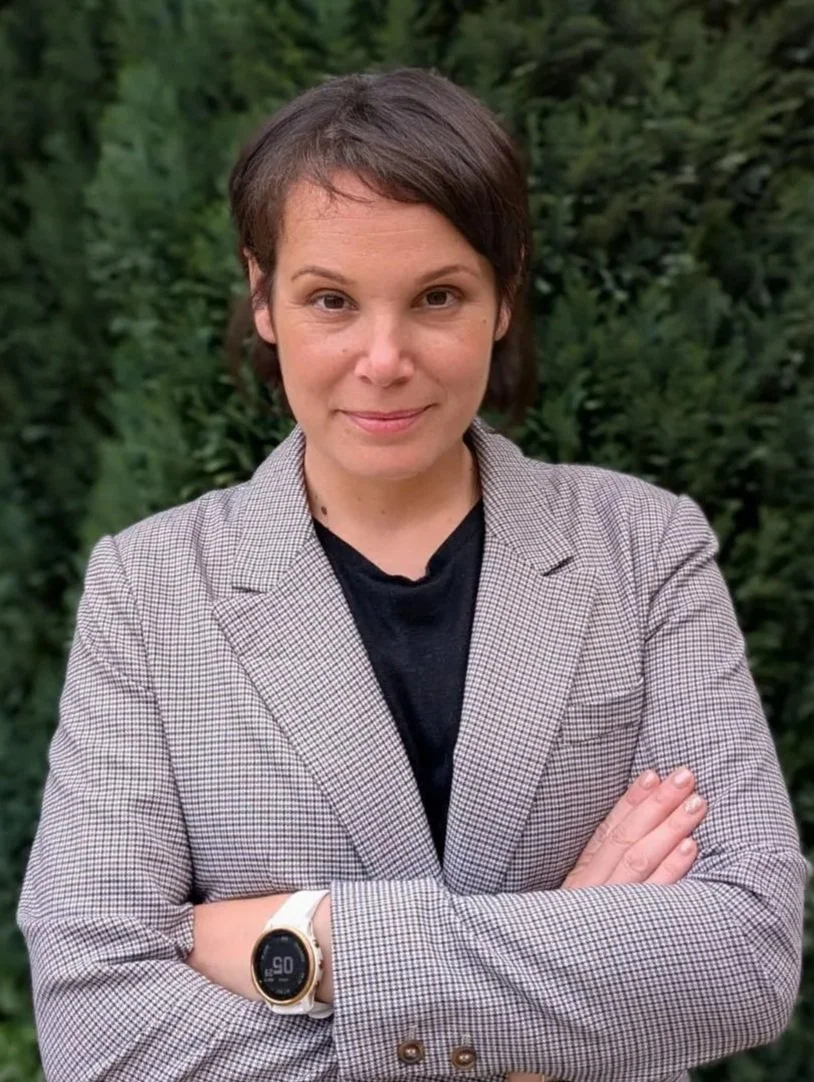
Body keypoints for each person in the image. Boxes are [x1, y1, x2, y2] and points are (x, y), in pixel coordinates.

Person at [17, 66, 808, 1082]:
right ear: (262, 296)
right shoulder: (150, 589)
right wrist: (543, 994)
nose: (383, 358)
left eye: (436, 295)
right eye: (331, 300)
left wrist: (312, 940)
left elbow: (743, 955)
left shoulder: (644, 548)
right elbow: (99, 1026)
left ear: (502, 294)